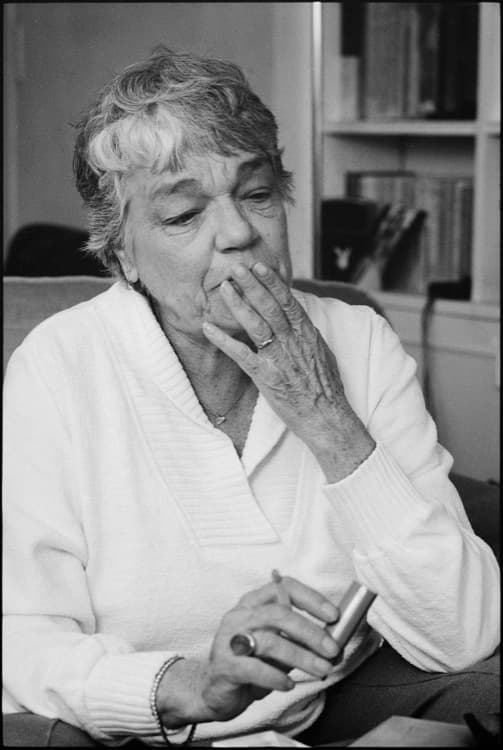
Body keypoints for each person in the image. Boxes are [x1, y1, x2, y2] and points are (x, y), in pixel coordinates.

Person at [3, 47, 499, 747]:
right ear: (123, 256)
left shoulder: (357, 340)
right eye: (184, 214)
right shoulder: (58, 365)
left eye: (257, 194)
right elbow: (23, 639)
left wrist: (326, 416)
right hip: (149, 719)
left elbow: (462, 632)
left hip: (330, 698)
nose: (239, 233)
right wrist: (192, 684)